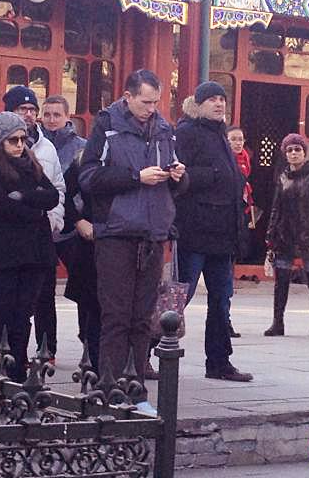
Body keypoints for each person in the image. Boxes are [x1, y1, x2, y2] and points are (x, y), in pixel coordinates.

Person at [80, 69, 186, 414]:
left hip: (153, 233)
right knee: (116, 316)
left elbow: (176, 187)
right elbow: (89, 177)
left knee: (143, 319)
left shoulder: (164, 129)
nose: (151, 109)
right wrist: (135, 178)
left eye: (156, 102)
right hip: (116, 233)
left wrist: (177, 176)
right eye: (145, 102)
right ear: (127, 97)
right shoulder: (107, 125)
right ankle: (110, 389)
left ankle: (136, 391)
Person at [0, 86, 65, 361]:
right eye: (13, 140)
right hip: (0, 254)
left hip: (33, 253)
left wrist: (22, 197)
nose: (20, 145)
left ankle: (18, 369)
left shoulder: (31, 163)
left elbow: (52, 195)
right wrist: (33, 207)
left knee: (22, 316)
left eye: (22, 139)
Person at [175, 81, 253, 382]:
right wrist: (216, 174)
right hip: (195, 231)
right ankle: (143, 353)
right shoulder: (187, 132)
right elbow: (178, 174)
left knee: (221, 300)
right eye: (212, 100)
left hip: (222, 234)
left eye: (222, 99)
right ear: (199, 104)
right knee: (179, 297)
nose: (219, 104)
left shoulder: (221, 133)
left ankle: (219, 362)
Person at [40, 95, 101, 370]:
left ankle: (88, 341)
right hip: (44, 226)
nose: (52, 119)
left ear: (67, 116)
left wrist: (77, 217)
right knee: (43, 291)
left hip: (73, 230)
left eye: (57, 114)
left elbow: (79, 187)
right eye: (47, 114)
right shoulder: (34, 144)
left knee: (84, 290)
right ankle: (46, 347)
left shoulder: (81, 148)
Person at [263, 133, 309, 338]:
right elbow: (276, 207)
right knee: (281, 280)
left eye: (297, 150)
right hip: (285, 234)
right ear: (285, 154)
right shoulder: (283, 177)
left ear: (304, 152)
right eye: (290, 150)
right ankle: (278, 322)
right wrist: (270, 233)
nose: (294, 153)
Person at [226, 125, 254, 339]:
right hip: (223, 223)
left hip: (238, 220)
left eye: (240, 139)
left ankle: (224, 321)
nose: (238, 143)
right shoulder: (224, 162)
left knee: (227, 278)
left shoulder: (245, 162)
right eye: (233, 139)